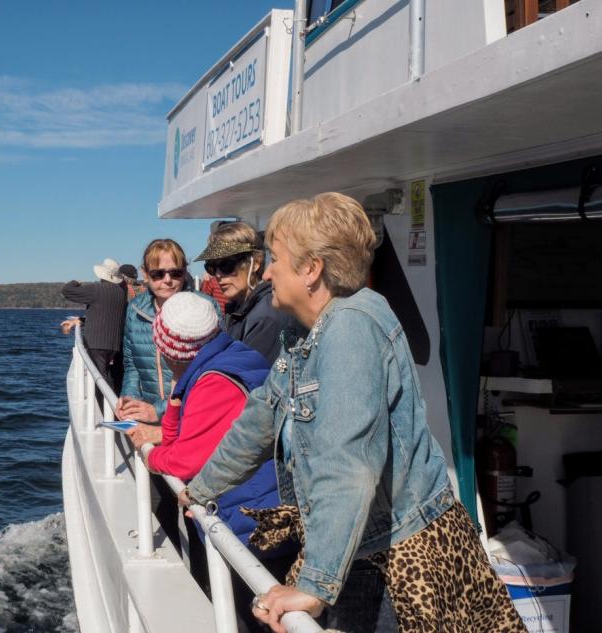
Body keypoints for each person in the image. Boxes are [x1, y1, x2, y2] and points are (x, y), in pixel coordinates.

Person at [180, 193, 525, 633]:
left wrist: (314, 585)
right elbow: (263, 414)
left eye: (276, 259)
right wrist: (204, 485)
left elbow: (348, 462)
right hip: (356, 547)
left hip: (396, 562)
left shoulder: (351, 328)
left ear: (311, 270)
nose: (266, 272)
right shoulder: (301, 331)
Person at [126, 292, 291, 632]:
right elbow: (183, 437)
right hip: (258, 511)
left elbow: (184, 460)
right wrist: (175, 396)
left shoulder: (215, 382)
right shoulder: (230, 358)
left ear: (169, 350)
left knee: (249, 617)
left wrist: (151, 454)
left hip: (253, 523)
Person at [116, 239, 217, 424]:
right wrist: (130, 399)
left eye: (175, 273)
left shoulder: (206, 308)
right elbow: (132, 365)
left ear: (185, 272)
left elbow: (209, 372)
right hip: (147, 417)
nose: (167, 280)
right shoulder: (135, 310)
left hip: (191, 417)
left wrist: (159, 410)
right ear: (145, 274)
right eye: (158, 274)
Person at [195, 221, 305, 365]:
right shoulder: (238, 309)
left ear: (256, 263)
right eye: (212, 267)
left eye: (226, 265)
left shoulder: (266, 317)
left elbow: (246, 375)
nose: (218, 274)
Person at [61, 257, 128, 395]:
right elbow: (106, 314)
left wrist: (76, 282)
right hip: (113, 344)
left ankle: (109, 409)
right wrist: (82, 320)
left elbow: (67, 290)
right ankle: (112, 405)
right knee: (106, 375)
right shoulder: (121, 293)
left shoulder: (96, 289)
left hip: (96, 342)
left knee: (99, 379)